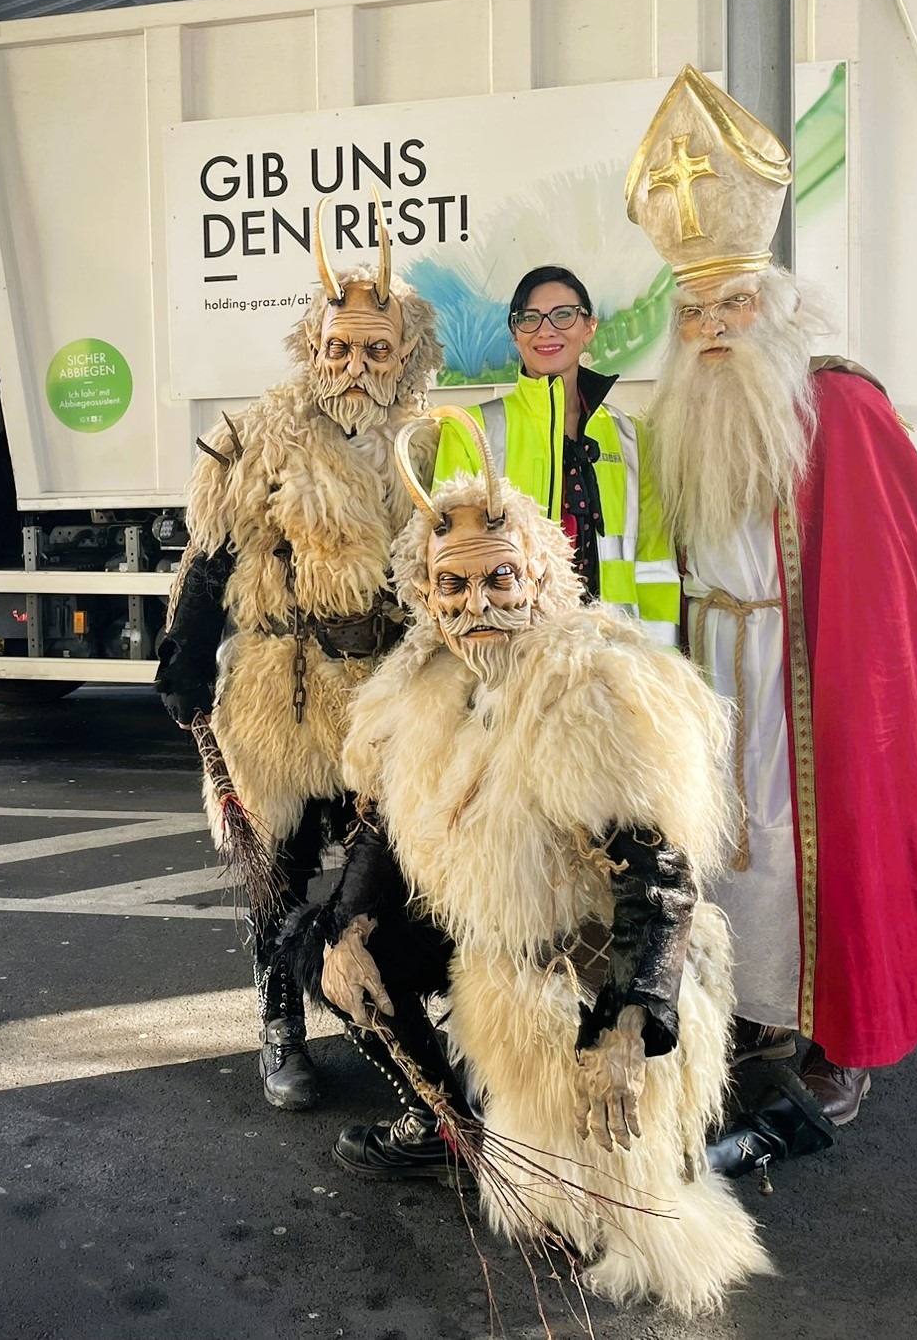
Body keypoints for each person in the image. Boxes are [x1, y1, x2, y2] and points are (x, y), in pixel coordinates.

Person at [315, 409, 765, 1312]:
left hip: (588, 967)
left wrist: (632, 1022)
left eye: (499, 579)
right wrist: (351, 926)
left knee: (606, 1228)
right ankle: (448, 1125)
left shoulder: (589, 688)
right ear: (426, 594)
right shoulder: (417, 683)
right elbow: (383, 831)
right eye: (453, 586)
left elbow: (659, 880)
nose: (476, 604)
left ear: (539, 579)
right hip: (494, 946)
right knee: (339, 964)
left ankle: (738, 1133)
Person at [626, 61, 917, 1144]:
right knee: (725, 858)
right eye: (694, 307)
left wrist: (852, 698)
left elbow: (883, 586)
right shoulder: (669, 418)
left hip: (807, 678)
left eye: (733, 302)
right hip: (709, 670)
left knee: (815, 849)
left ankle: (839, 1038)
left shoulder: (836, 404)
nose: (712, 325)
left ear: (775, 304)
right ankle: (759, 1018)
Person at [154, 198, 443, 1112]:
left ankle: (395, 1019)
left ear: (406, 354)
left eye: (375, 350)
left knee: (390, 871)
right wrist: (186, 650)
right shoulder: (263, 434)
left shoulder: (429, 440)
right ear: (311, 348)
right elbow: (213, 547)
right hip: (282, 691)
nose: (355, 366)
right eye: (339, 348)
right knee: (276, 871)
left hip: (385, 694)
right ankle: (279, 1022)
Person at [433, 267, 677, 642]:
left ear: (589, 327)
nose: (546, 330)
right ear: (515, 335)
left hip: (616, 654)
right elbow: (446, 564)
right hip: (514, 657)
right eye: (529, 319)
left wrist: (660, 663)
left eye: (564, 315)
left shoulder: (632, 436)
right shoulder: (470, 431)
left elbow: (655, 563)